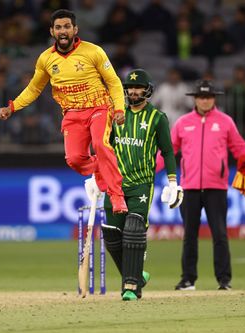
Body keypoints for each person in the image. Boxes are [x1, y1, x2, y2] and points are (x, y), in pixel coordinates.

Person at [0, 9, 127, 213]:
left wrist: (119, 108)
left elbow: (114, 82)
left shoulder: (93, 51)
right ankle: (102, 169)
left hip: (98, 108)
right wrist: (12, 107)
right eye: (58, 27)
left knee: (100, 145)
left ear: (75, 29)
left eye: (67, 26)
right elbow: (34, 88)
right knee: (74, 160)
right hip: (72, 114)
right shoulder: (45, 59)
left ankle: (117, 196)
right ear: (52, 31)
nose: (63, 31)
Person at [85, 68, 183, 301]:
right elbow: (101, 148)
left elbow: (168, 152)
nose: (134, 91)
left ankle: (130, 286)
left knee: (134, 230)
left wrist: (172, 182)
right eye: (129, 88)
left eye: (138, 88)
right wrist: (94, 176)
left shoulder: (157, 118)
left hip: (141, 183)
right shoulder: (113, 115)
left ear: (148, 91)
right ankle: (138, 275)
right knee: (112, 236)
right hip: (114, 184)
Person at [164, 80, 245, 291]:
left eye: (209, 97)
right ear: (195, 98)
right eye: (201, 97)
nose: (205, 100)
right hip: (190, 187)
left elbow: (239, 147)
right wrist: (151, 167)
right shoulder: (183, 123)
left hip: (216, 187)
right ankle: (188, 279)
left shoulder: (225, 122)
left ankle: (224, 280)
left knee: (220, 234)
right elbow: (169, 151)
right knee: (189, 235)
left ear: (214, 98)